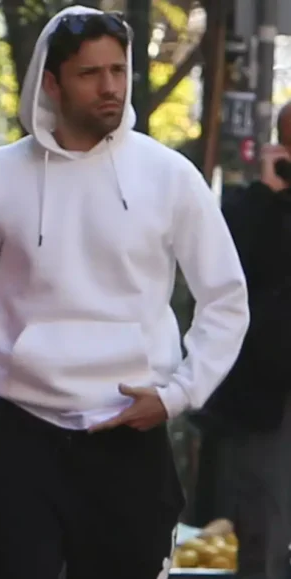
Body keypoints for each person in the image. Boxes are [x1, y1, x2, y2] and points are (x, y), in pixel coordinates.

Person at [0, 6, 250, 579]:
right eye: (90, 73)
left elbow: (225, 298)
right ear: (51, 82)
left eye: (118, 70)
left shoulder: (168, 175)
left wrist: (179, 394)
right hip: (23, 434)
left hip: (131, 434)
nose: (110, 86)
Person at [196, 101, 291, 579]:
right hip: (267, 401)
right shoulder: (251, 208)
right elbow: (229, 276)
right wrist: (268, 194)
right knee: (263, 534)